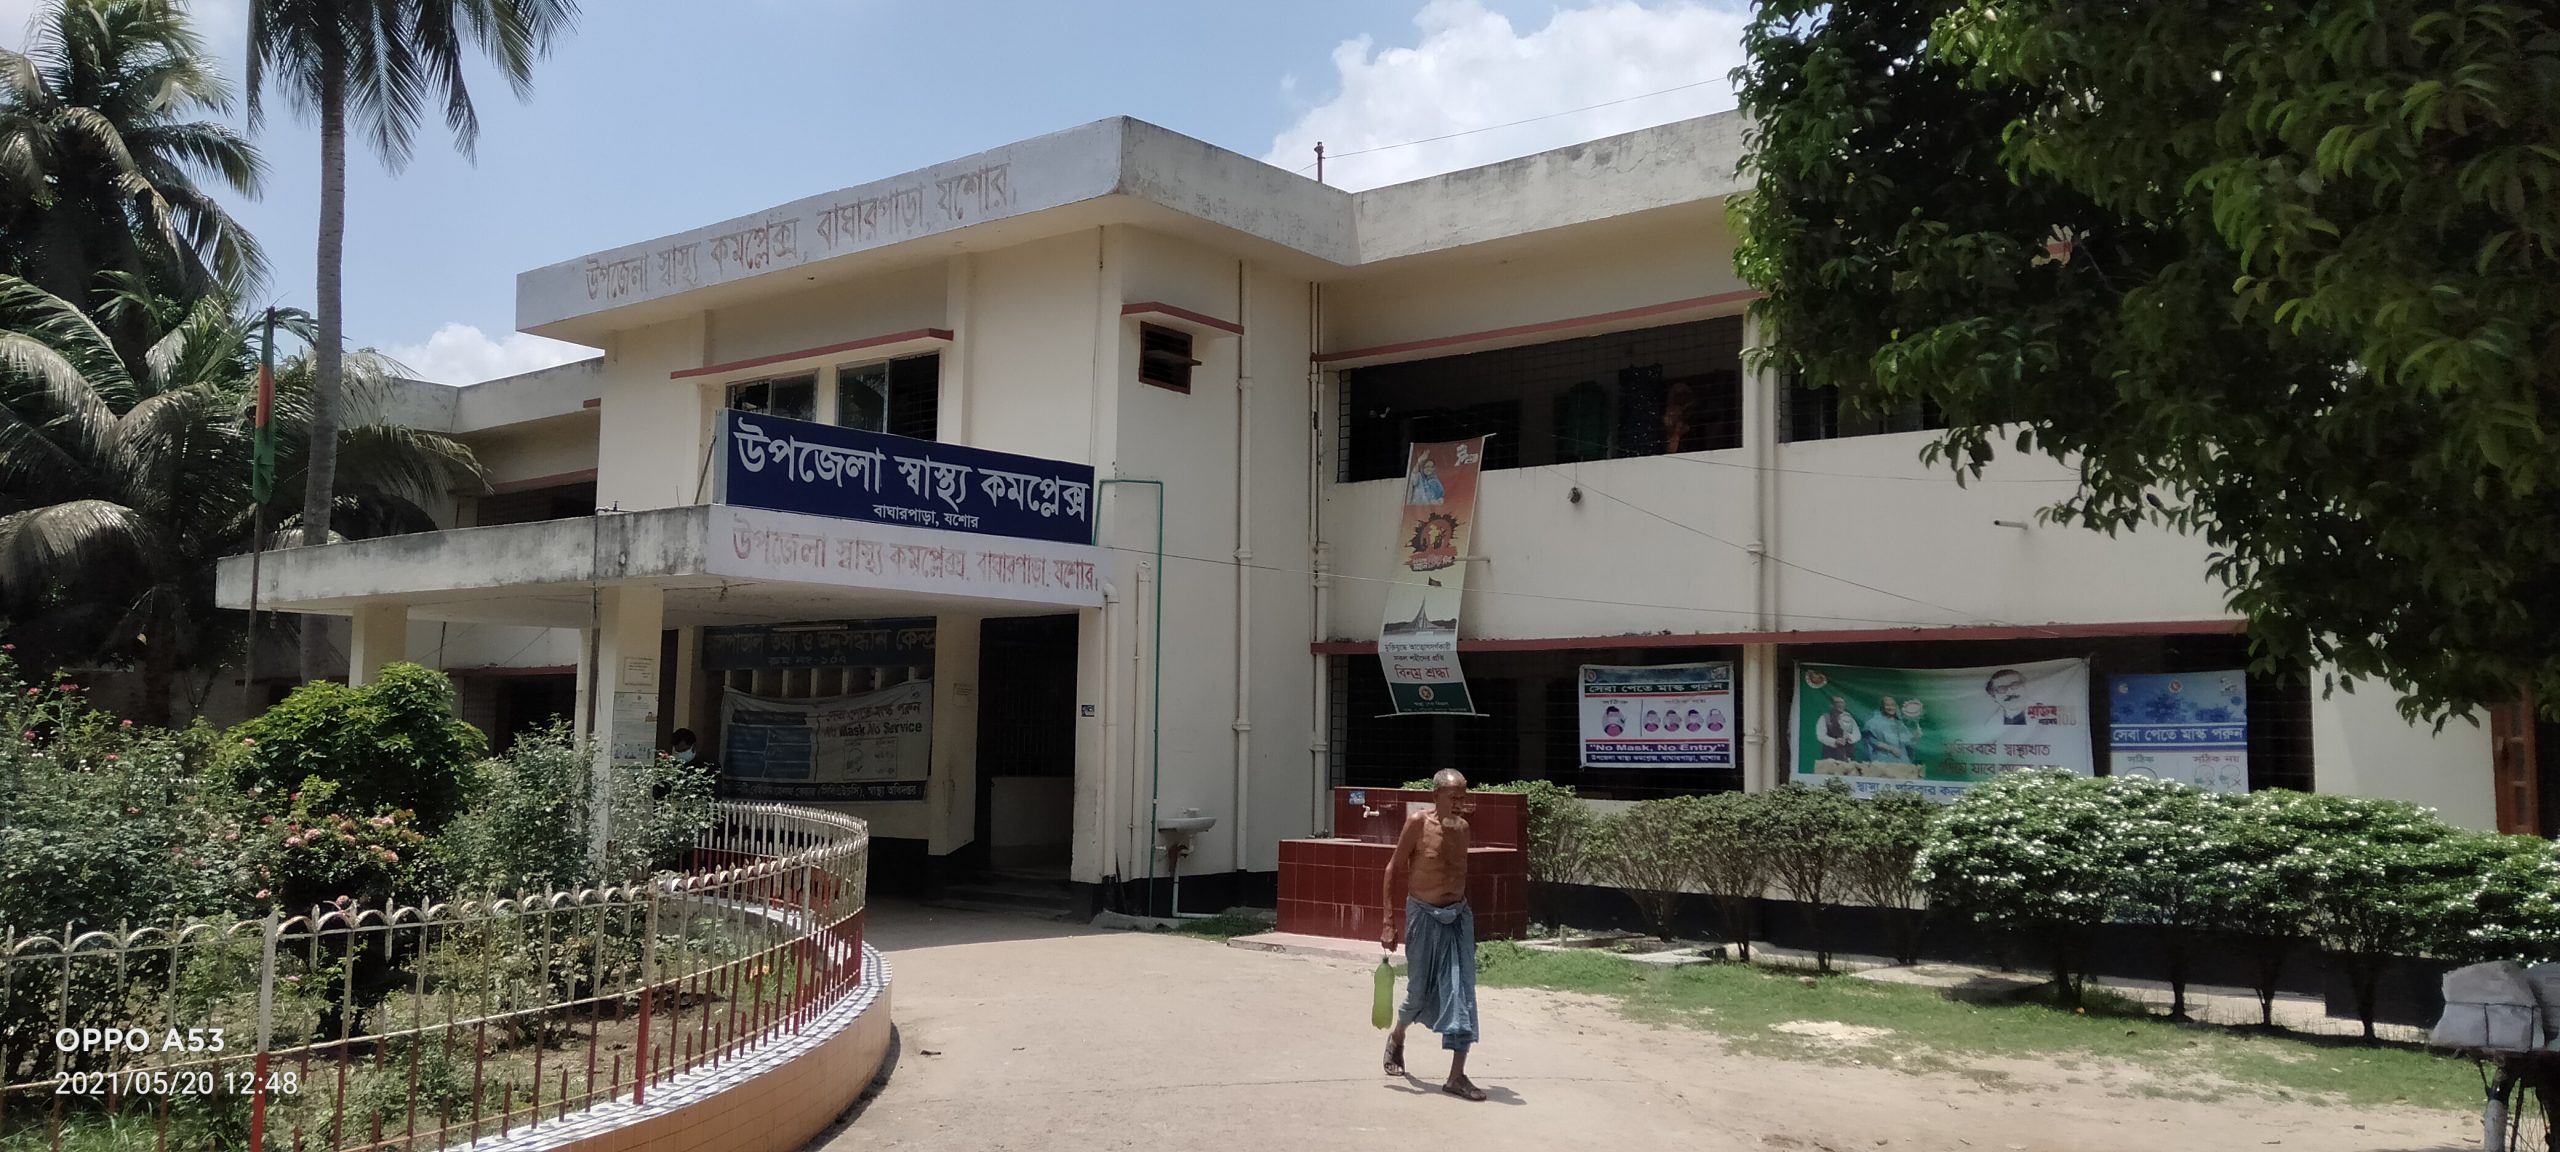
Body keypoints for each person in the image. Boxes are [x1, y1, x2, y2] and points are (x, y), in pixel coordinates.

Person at [1382, 769, 1486, 1101]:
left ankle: (1456, 1076)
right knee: (1418, 993)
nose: (1459, 803)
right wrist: (1388, 921)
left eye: (1463, 797)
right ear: (1435, 796)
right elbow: (1392, 868)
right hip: (1423, 917)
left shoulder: (1464, 829)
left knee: (1462, 994)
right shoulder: (1417, 824)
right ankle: (1398, 1036)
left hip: (1457, 919)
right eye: (1453, 797)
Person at [1863, 696, 1912, 764]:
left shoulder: (1900, 724)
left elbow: (1907, 742)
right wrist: (1891, 749)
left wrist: (1915, 736)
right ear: (1882, 707)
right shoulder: (1873, 722)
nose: (1891, 708)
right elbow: (1872, 741)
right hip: (1883, 759)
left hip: (1901, 760)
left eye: (1893, 705)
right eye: (1887, 705)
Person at [1815, 695, 1863, 761]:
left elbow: (1857, 734)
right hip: (1830, 755)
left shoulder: (1849, 718)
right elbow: (1821, 736)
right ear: (1831, 705)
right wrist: (1835, 741)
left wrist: (1850, 737)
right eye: (1837, 703)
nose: (1840, 705)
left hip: (1848, 754)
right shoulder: (1824, 718)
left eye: (1842, 703)